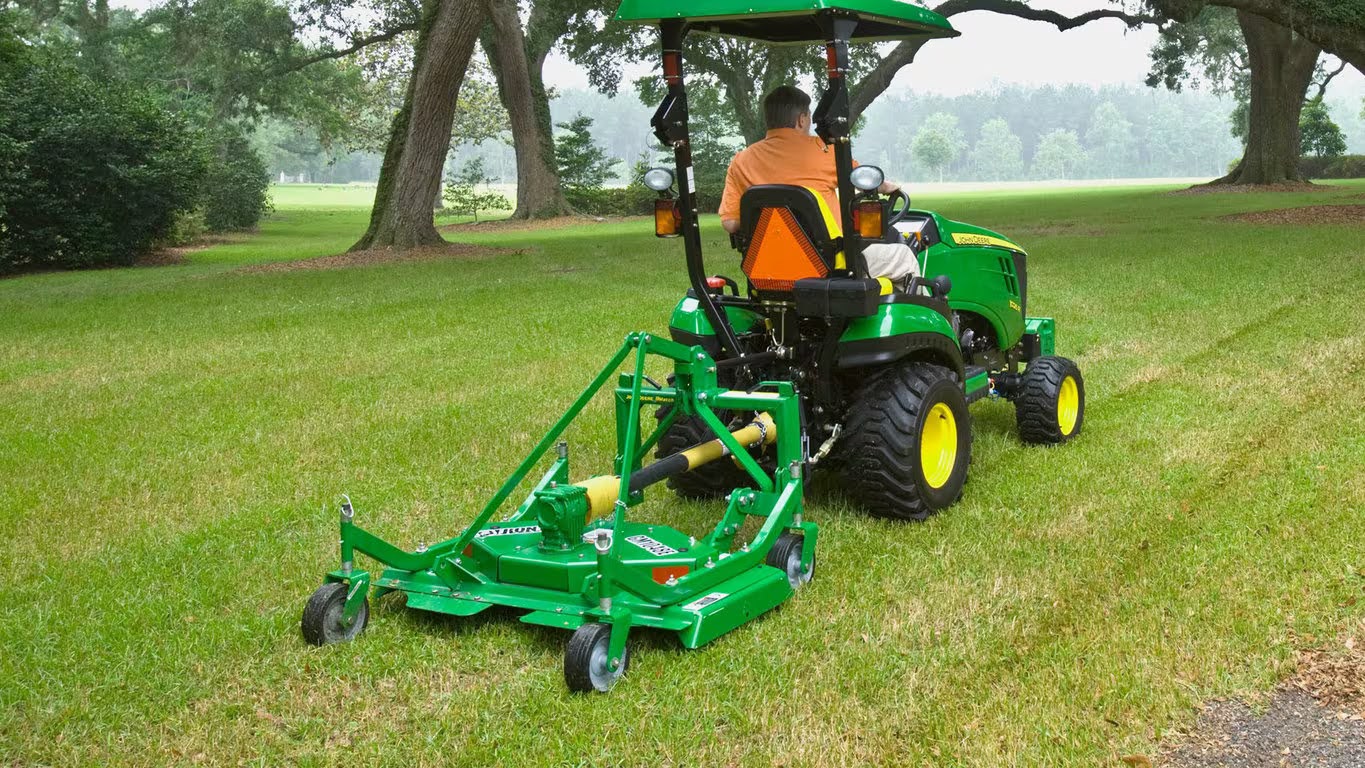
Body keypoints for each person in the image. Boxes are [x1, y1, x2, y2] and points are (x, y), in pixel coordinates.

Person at [718, 85, 919, 284]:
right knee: (903, 256)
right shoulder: (823, 151)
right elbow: (860, 177)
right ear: (801, 119)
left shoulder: (741, 161)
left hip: (768, 268)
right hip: (830, 267)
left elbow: (731, 223)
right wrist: (886, 186)